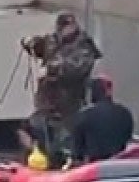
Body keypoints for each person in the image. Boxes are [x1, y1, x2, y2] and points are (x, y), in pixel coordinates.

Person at [16, 11, 102, 168]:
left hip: (70, 101)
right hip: (47, 99)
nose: (64, 30)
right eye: (62, 26)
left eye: (68, 25)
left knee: (65, 137)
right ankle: (37, 162)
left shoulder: (84, 45)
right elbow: (40, 46)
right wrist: (30, 43)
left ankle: (67, 164)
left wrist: (54, 68)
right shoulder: (53, 40)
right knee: (31, 129)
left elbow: (79, 69)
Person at [68, 74, 134, 164]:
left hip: (95, 169)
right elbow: (128, 139)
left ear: (93, 92)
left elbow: (77, 152)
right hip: (121, 165)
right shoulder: (125, 113)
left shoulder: (84, 116)